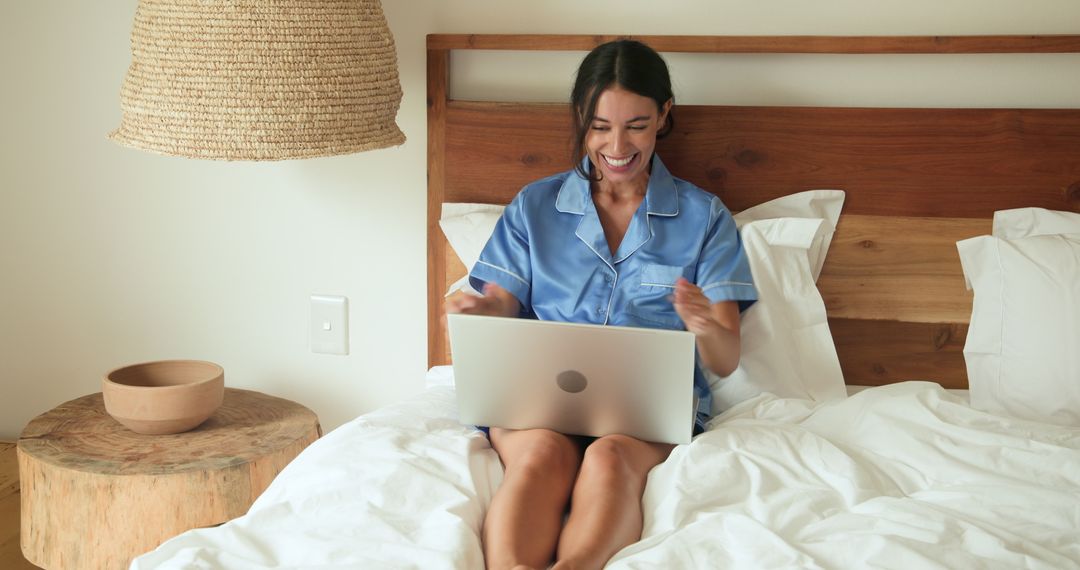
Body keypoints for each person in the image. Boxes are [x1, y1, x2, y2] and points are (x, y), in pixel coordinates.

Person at [445, 39, 758, 570]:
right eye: (600, 126)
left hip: (643, 414)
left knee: (611, 457)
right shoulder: (534, 207)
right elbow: (500, 304)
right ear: (580, 119)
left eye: (636, 125)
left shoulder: (704, 218)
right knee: (541, 454)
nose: (617, 144)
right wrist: (478, 315)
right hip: (536, 396)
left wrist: (703, 324)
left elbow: (726, 359)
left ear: (663, 115)